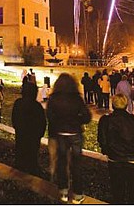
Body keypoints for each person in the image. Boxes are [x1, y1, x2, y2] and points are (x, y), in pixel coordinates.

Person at [98, 93, 134, 204]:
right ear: (126, 105)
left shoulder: (105, 120)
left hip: (114, 159)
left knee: (117, 190)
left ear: (113, 105)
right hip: (132, 160)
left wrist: (107, 151)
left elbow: (102, 139)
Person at [46, 73, 91, 204]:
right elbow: (87, 117)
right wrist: (76, 121)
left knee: (62, 162)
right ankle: (77, 194)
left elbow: (50, 116)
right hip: (75, 134)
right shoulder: (77, 98)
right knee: (76, 164)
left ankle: (63, 191)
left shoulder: (53, 98)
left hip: (60, 134)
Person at [12, 81, 46, 176]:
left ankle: (20, 166)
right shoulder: (37, 106)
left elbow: (14, 118)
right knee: (32, 152)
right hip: (33, 135)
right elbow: (42, 121)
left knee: (20, 149)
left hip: (21, 133)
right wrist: (39, 134)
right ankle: (32, 168)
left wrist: (17, 127)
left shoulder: (18, 103)